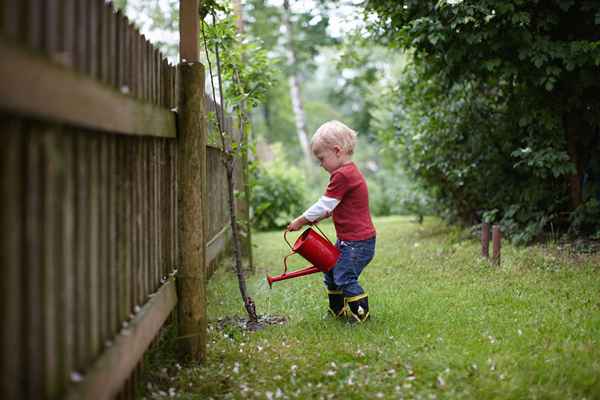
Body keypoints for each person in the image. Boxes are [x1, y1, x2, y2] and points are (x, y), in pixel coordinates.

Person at [287, 120, 376, 323]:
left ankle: (361, 315)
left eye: (321, 158)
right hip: (350, 241)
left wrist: (301, 220)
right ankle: (337, 311)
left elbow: (325, 203)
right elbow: (333, 206)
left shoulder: (343, 175)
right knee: (330, 271)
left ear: (337, 151)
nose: (321, 164)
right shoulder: (347, 172)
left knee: (343, 277)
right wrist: (321, 215)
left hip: (358, 243)